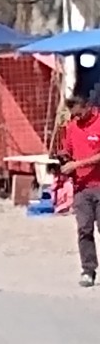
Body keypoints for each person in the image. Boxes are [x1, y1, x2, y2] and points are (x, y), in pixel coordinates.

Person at [59, 94, 100, 287]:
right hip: (81, 188)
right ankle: (88, 270)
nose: (77, 118)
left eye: (79, 113)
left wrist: (78, 164)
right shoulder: (72, 126)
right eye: (73, 114)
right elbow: (67, 149)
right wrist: (64, 159)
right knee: (84, 229)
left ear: (87, 107)